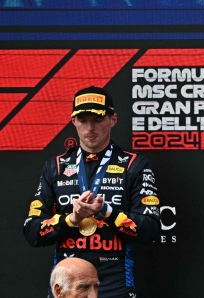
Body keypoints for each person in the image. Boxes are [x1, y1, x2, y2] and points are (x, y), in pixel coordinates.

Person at [24, 86, 161, 297]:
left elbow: (151, 230)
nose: (90, 128)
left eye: (97, 120)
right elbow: (32, 232)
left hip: (115, 285)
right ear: (73, 122)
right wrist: (71, 219)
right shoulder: (56, 167)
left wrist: (107, 211)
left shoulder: (134, 165)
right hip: (68, 288)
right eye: (83, 120)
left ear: (112, 120)